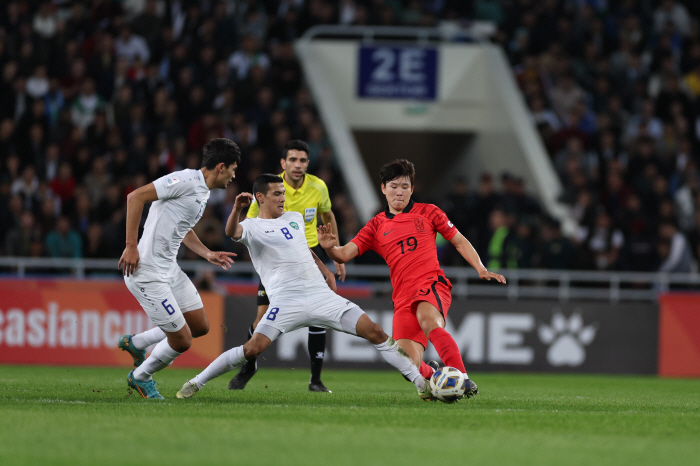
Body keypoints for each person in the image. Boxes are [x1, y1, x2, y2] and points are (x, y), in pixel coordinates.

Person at [176, 174, 432, 400]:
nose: (282, 198)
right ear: (260, 197)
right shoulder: (252, 226)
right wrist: (236, 209)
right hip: (286, 301)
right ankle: (195, 382)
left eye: (283, 193)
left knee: (375, 331)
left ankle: (423, 385)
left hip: (320, 295)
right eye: (277, 194)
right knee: (252, 348)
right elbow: (232, 232)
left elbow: (304, 249)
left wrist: (325, 270)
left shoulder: (295, 218)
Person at [318, 159, 507, 395]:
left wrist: (480, 268)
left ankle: (463, 379)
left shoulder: (429, 212)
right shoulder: (376, 225)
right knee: (407, 363)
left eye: (405, 186)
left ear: (412, 189)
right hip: (403, 297)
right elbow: (344, 254)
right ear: (383, 188)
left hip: (431, 285)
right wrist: (329, 249)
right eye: (394, 186)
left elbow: (458, 240)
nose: (400, 191)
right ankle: (435, 374)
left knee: (429, 322)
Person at [116, 138, 240, 400]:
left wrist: (207, 253)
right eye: (232, 169)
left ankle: (137, 343)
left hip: (169, 269)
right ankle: (140, 377)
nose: (233, 175)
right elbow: (135, 196)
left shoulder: (203, 192)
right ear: (220, 167)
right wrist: (131, 245)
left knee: (200, 326)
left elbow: (182, 227)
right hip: (147, 272)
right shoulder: (185, 180)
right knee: (182, 340)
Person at [229, 140, 344, 393]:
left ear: (308, 163)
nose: (298, 165)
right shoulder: (271, 187)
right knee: (261, 319)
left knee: (319, 318)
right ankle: (249, 364)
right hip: (275, 259)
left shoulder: (318, 186)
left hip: (310, 257)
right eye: (293, 160)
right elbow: (250, 226)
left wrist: (335, 255)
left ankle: (315, 380)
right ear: (283, 163)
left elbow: (328, 216)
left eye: (303, 160)